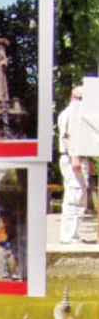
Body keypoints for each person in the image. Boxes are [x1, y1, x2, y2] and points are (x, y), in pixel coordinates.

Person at [57, 85, 90, 244]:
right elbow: (66, 137)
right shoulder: (69, 114)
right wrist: (75, 157)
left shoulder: (78, 115)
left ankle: (73, 234)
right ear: (74, 98)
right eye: (80, 99)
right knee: (74, 196)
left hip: (79, 157)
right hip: (71, 158)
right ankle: (68, 236)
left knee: (80, 197)